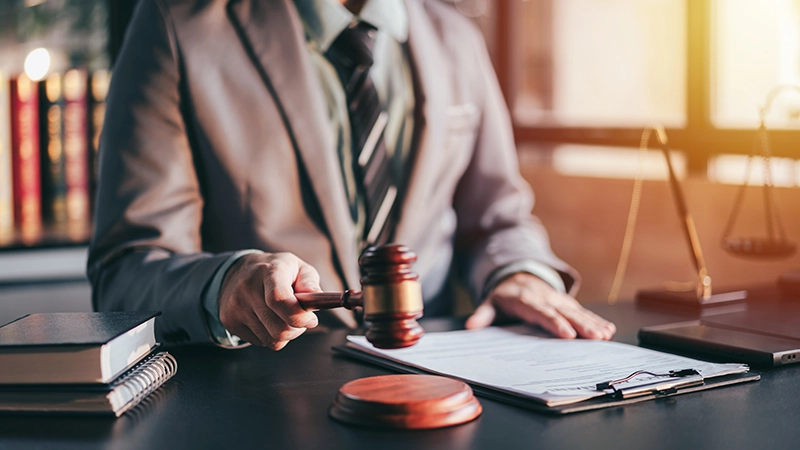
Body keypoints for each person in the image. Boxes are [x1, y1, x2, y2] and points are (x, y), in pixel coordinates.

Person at [88, 0, 616, 349]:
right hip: (264, 399)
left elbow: (498, 222)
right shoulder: (177, 27)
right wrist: (224, 283)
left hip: (440, 379)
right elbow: (127, 270)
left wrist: (518, 271)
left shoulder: (457, 37)